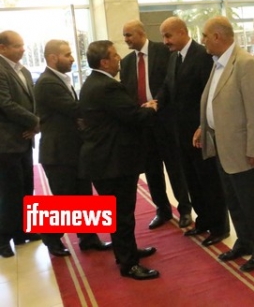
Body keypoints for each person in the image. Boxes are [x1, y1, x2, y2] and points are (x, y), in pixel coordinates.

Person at [194, 16, 254, 272]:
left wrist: (253, 148)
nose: (202, 40)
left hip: (242, 148)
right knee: (234, 201)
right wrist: (203, 127)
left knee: (252, 203)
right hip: (222, 145)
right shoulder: (217, 63)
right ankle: (244, 241)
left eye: (205, 36)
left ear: (217, 37)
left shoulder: (244, 63)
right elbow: (216, 102)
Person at [79, 40, 159, 280]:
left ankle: (126, 251)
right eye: (114, 56)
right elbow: (133, 116)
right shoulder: (107, 87)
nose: (119, 59)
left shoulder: (93, 83)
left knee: (120, 212)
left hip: (105, 159)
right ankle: (129, 264)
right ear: (104, 62)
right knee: (121, 214)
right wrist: (150, 108)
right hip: (113, 161)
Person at [34, 39, 112, 257]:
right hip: (58, 152)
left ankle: (88, 238)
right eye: (67, 55)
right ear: (53, 58)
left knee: (82, 194)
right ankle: (50, 238)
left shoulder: (59, 79)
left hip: (72, 149)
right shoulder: (48, 83)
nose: (72, 59)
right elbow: (75, 109)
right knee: (64, 199)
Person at [158, 16, 229, 246]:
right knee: (192, 180)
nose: (165, 41)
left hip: (200, 132)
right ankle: (203, 220)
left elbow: (209, 95)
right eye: (163, 37)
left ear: (182, 32)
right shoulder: (174, 58)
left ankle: (219, 227)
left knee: (208, 180)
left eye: (168, 36)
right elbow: (168, 87)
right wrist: (157, 102)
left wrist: (202, 126)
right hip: (180, 133)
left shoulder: (202, 55)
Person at [120, 20, 193, 230]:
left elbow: (170, 83)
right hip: (143, 124)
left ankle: (185, 209)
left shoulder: (164, 51)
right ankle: (162, 210)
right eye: (124, 36)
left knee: (174, 167)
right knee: (152, 170)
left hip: (165, 120)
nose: (126, 39)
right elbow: (127, 92)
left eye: (128, 35)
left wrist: (156, 103)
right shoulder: (126, 63)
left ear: (141, 33)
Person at [0, 30, 41, 258]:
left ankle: (22, 231)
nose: (22, 49)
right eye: (17, 46)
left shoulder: (23, 70)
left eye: (23, 45)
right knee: (9, 193)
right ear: (2, 48)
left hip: (25, 139)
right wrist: (34, 121)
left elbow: (31, 102)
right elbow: (5, 103)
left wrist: (34, 125)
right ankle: (3, 238)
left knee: (26, 188)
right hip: (5, 143)